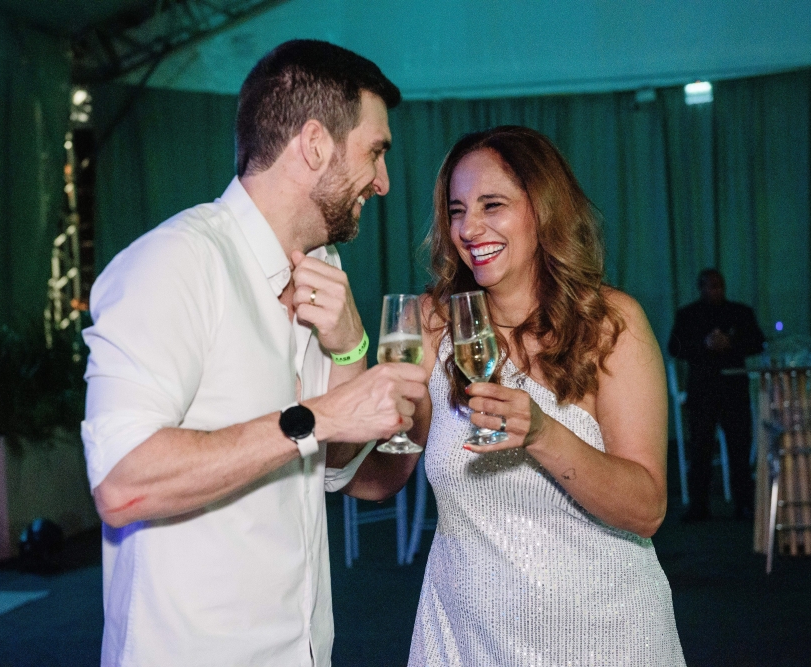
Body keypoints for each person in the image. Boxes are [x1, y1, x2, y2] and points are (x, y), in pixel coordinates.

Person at [81, 40, 428, 667]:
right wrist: (317, 417)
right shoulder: (175, 262)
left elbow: (338, 468)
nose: (382, 182)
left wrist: (351, 349)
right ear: (314, 144)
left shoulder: (324, 268)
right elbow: (122, 483)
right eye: (375, 152)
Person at [403, 127, 685, 665]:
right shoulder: (433, 325)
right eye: (457, 211)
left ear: (543, 209)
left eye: (492, 205)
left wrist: (542, 434)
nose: (469, 228)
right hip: (464, 641)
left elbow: (647, 509)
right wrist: (345, 354)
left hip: (602, 640)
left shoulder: (610, 324)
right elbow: (380, 474)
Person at [668, 268, 765, 521]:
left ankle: (744, 502)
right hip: (703, 390)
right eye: (711, 286)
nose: (716, 291)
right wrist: (704, 344)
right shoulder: (688, 315)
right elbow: (675, 347)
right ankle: (699, 505)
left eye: (719, 286)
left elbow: (758, 342)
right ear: (701, 288)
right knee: (700, 449)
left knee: (739, 448)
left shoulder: (740, 313)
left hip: (734, 389)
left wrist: (730, 343)